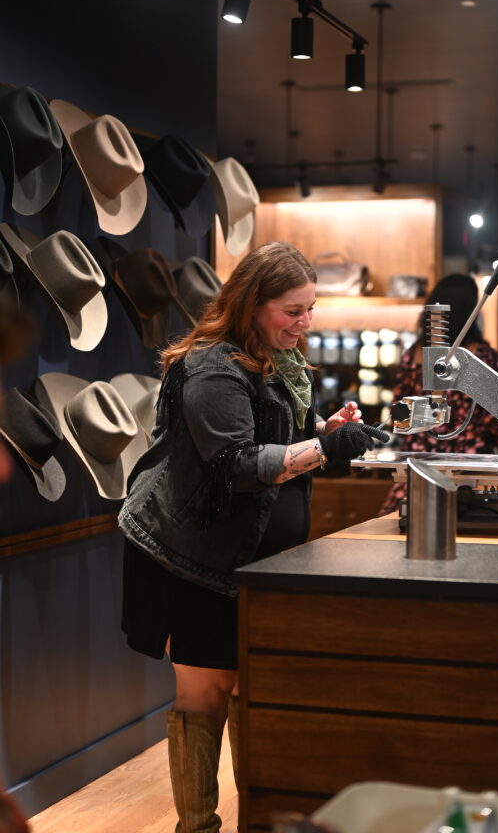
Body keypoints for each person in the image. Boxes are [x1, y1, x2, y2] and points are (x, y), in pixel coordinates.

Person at [118, 241, 389, 833]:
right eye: (293, 310)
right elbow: (235, 463)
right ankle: (196, 828)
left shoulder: (279, 361)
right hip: (195, 558)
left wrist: (322, 429)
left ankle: (257, 823)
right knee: (205, 694)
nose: (306, 322)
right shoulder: (212, 366)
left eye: (311, 308)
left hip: (256, 558)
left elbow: (272, 429)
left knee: (250, 685)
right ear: (251, 303)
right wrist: (323, 448)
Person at [378, 273, 498, 516]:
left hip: (417, 467)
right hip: (468, 467)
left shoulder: (412, 355)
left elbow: (399, 415)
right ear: (470, 311)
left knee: (400, 523)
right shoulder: (481, 357)